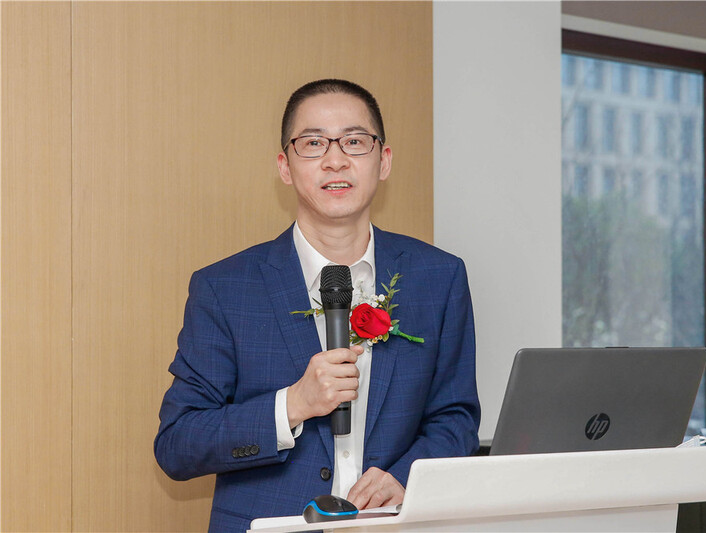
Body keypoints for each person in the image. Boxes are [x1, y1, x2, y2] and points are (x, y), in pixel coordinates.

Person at [154, 79, 480, 531]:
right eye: (313, 143)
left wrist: (406, 478)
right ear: (285, 167)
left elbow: (456, 419)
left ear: (384, 160)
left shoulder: (438, 277)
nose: (335, 159)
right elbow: (177, 444)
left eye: (354, 141)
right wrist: (293, 404)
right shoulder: (225, 288)